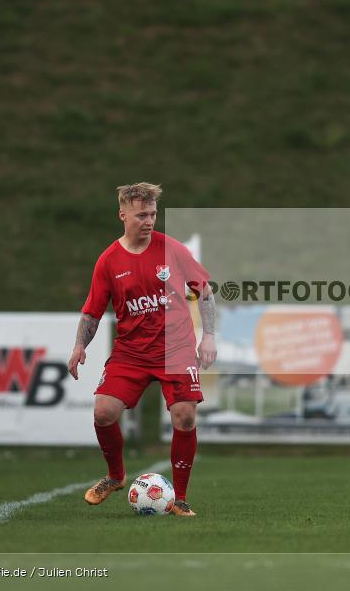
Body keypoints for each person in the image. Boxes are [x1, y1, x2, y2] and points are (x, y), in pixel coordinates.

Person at [68, 182, 216, 517]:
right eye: (141, 215)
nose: (148, 221)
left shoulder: (172, 249)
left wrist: (208, 336)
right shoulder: (108, 261)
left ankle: (179, 498)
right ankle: (115, 476)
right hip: (131, 352)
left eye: (152, 214)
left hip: (176, 348)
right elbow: (92, 312)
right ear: (122, 215)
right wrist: (79, 345)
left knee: (185, 416)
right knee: (103, 412)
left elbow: (204, 292)